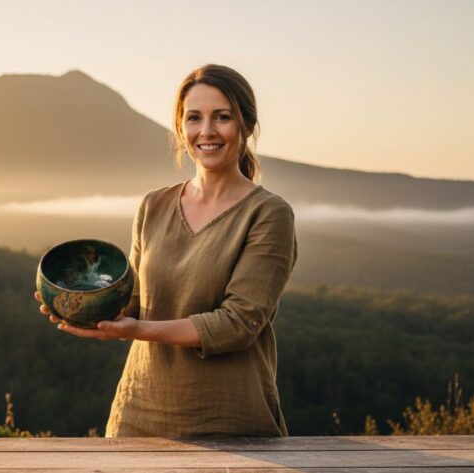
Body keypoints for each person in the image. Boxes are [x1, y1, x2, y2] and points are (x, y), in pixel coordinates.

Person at [34, 64, 297, 437]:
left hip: (230, 421)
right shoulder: (153, 206)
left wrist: (137, 329)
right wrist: (83, 307)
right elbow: (135, 301)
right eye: (194, 118)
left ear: (246, 126)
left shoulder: (268, 214)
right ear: (180, 128)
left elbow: (239, 324)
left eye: (222, 117)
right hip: (139, 415)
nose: (206, 131)